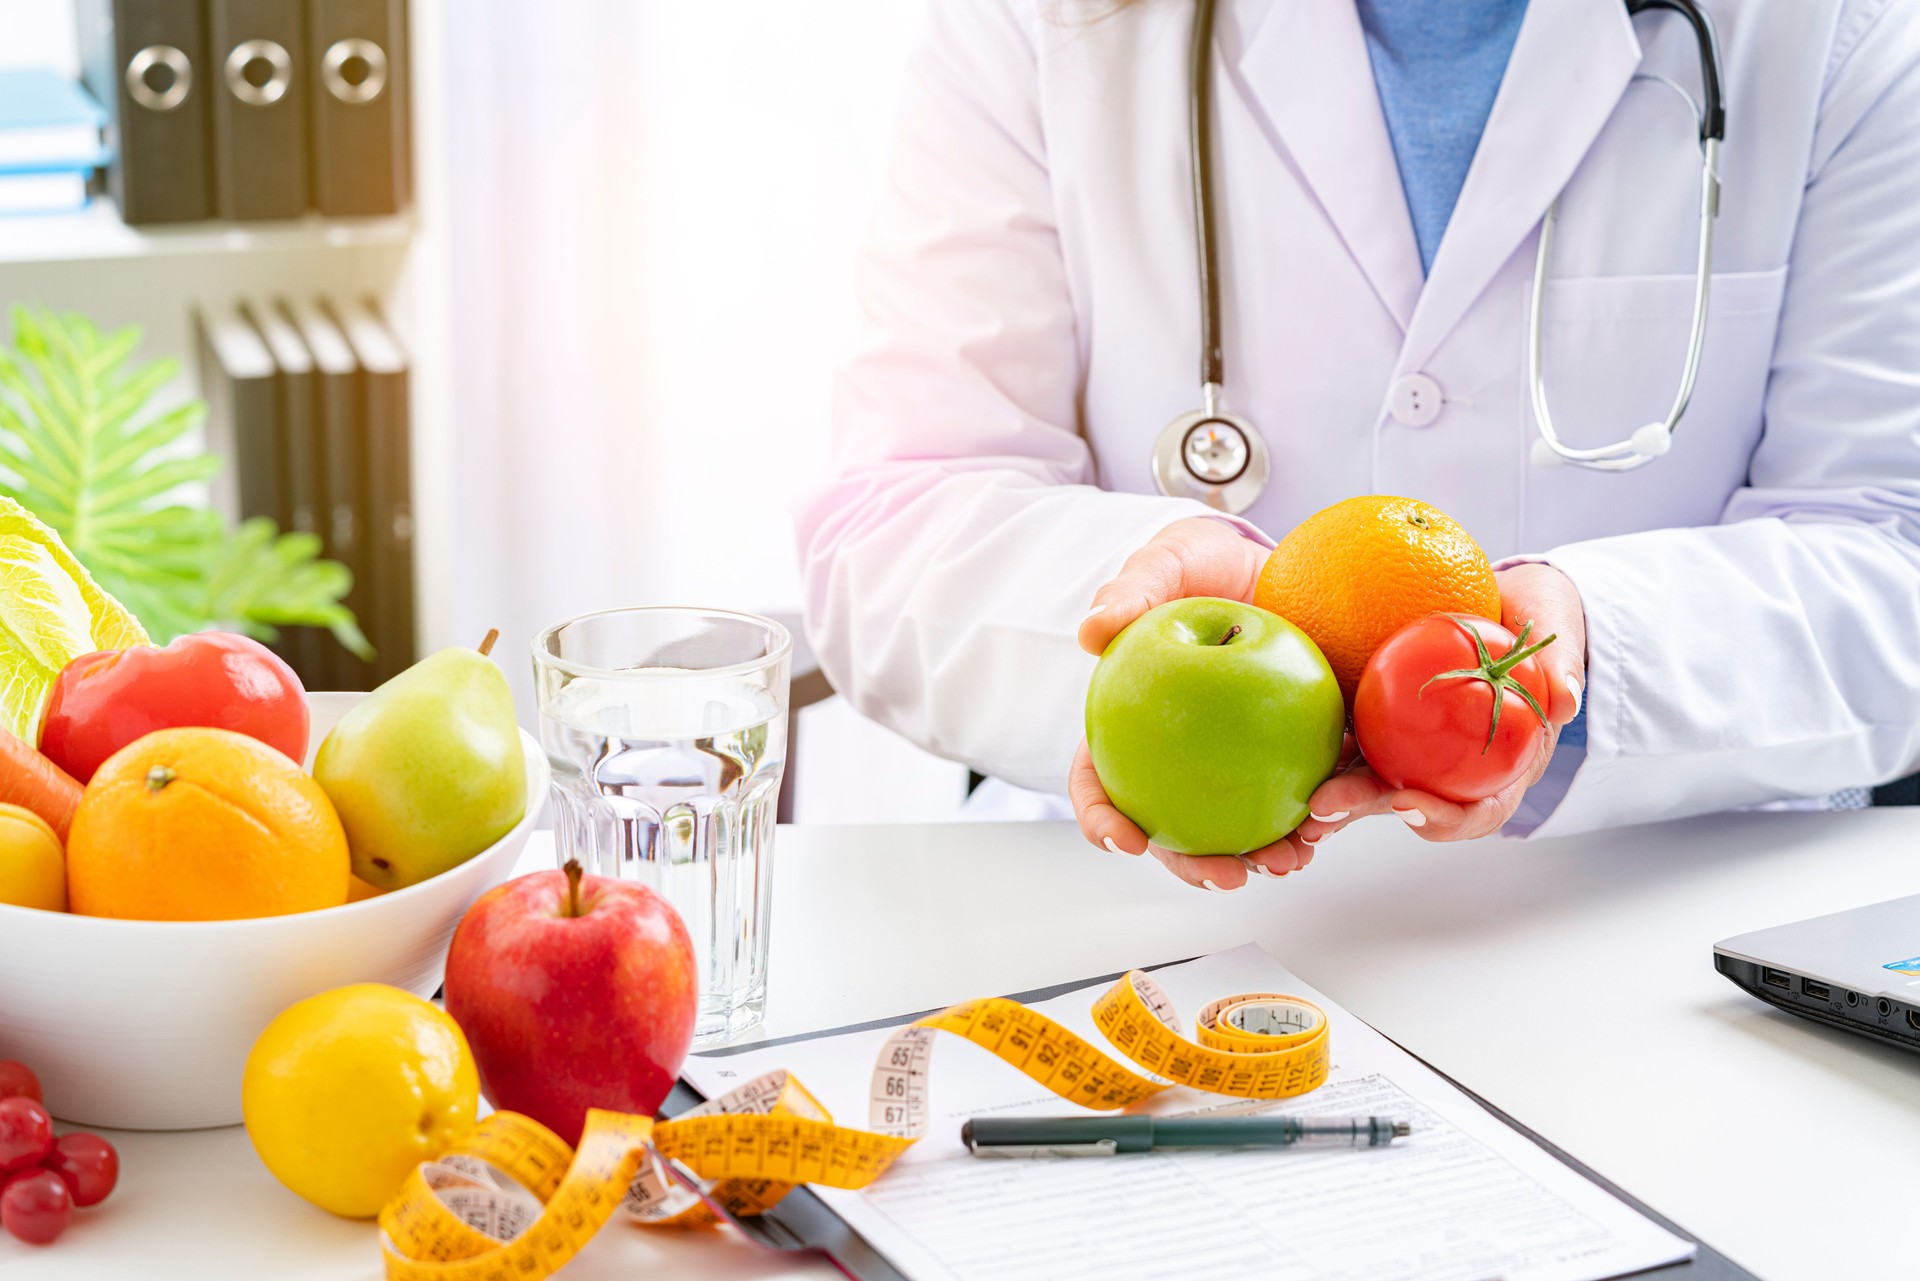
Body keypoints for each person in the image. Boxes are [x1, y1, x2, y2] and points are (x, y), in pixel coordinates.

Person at [795, 0, 1920, 891]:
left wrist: (1590, 643)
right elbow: (891, 525)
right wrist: (1145, 623)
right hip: (1126, 915)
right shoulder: (1035, 22)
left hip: (1652, 919)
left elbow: (1892, 550)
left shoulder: (1845, 28)